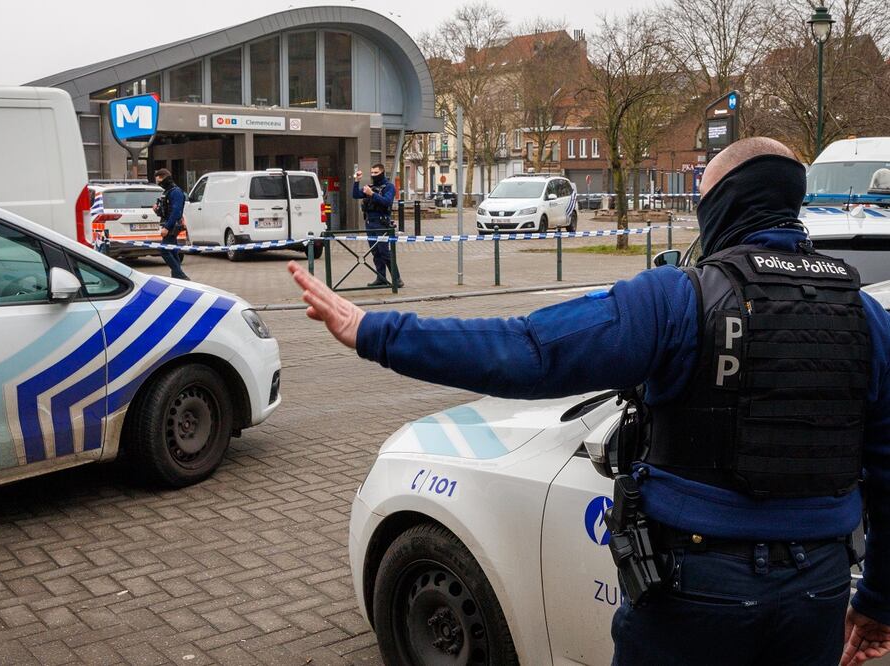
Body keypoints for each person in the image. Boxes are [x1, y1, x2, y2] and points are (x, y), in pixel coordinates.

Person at [290, 137, 890, 666]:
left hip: (696, 592)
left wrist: (375, 332)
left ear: (724, 203)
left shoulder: (678, 300)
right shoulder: (865, 317)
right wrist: (879, 601)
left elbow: (529, 350)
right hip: (819, 590)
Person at [353, 163, 403, 288]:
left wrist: (372, 194)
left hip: (381, 223)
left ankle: (397, 279)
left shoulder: (389, 187)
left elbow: (386, 202)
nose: (373, 175)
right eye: (372, 173)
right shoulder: (370, 187)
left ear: (382, 172)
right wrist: (356, 181)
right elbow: (355, 195)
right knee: (376, 253)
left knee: (385, 252)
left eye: (376, 172)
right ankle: (381, 278)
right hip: (370, 223)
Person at [153, 168, 189, 281]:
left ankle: (180, 275)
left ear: (165, 178)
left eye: (159, 181)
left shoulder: (176, 192)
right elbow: (165, 210)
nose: (159, 184)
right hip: (168, 222)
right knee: (172, 250)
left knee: (164, 250)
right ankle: (177, 276)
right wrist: (157, 210)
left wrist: (167, 227)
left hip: (172, 224)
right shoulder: (167, 192)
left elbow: (176, 211)